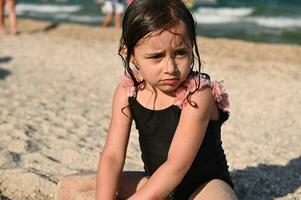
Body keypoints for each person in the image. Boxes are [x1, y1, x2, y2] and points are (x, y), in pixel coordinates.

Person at [58, 0, 238, 199]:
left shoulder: (198, 95)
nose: (170, 67)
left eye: (180, 53)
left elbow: (176, 166)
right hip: (156, 184)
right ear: (131, 54)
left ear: (191, 46)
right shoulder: (128, 91)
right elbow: (112, 156)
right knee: (71, 186)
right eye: (156, 57)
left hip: (203, 188)